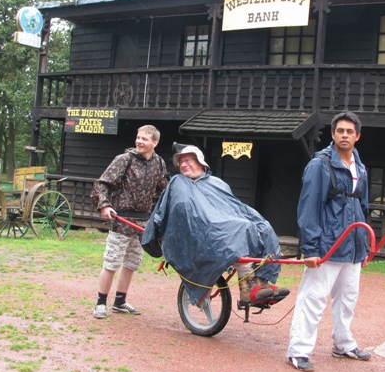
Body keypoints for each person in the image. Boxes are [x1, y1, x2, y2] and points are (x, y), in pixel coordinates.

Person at [142, 144, 289, 306]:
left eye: (188, 160)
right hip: (202, 231)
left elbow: (234, 207)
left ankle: (262, 281)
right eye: (181, 162)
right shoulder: (179, 183)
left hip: (223, 224)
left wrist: (249, 220)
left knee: (263, 226)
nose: (183, 165)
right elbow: (182, 210)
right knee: (240, 226)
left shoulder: (216, 183)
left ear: (200, 162)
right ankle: (248, 289)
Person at [287, 111, 372, 372]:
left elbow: (364, 207)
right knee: (313, 298)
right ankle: (298, 351)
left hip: (353, 244)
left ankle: (343, 344)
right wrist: (310, 247)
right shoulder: (320, 165)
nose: (344, 135)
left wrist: (366, 245)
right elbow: (309, 207)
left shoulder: (360, 167)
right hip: (328, 244)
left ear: (357, 136)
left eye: (349, 131)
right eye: (339, 131)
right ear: (333, 135)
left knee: (348, 298)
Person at [90, 125, 168, 319]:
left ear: (155, 143)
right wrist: (104, 205)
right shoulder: (124, 160)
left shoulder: (159, 163)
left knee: (132, 263)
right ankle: (100, 303)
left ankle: (120, 301)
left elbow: (162, 192)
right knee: (112, 262)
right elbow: (102, 184)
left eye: (145, 139)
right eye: (138, 137)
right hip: (121, 220)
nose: (139, 141)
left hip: (142, 224)